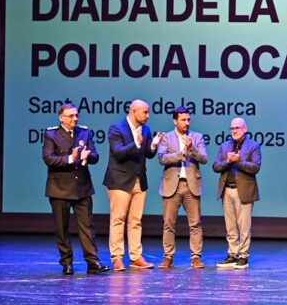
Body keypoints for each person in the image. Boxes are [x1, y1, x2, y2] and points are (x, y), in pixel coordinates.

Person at [42, 103, 110, 275]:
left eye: (76, 115)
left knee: (87, 227)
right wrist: (71, 159)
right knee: (62, 227)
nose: (75, 119)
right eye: (71, 116)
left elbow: (95, 156)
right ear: (61, 117)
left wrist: (88, 156)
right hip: (59, 188)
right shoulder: (51, 134)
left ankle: (93, 261)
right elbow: (49, 159)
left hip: (82, 187)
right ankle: (67, 262)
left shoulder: (85, 132)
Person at [103, 99, 163, 271]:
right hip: (120, 180)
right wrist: (136, 143)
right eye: (145, 112)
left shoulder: (146, 129)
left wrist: (153, 145)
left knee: (135, 220)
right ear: (133, 111)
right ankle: (117, 257)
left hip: (139, 180)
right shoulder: (116, 128)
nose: (148, 116)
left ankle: (135, 256)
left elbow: (149, 154)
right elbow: (119, 153)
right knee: (118, 219)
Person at [157, 107, 209, 269]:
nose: (186, 123)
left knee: (195, 224)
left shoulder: (197, 137)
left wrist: (192, 148)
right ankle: (168, 257)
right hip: (172, 185)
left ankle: (195, 257)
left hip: (191, 185)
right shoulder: (166, 137)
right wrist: (181, 153)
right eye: (183, 120)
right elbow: (162, 158)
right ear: (175, 121)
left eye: (188, 120)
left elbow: (204, 158)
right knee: (169, 223)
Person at [212, 117, 261, 270]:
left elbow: (255, 167)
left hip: (244, 191)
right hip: (227, 190)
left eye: (237, 128)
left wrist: (238, 161)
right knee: (230, 225)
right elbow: (215, 166)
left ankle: (243, 255)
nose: (234, 131)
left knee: (244, 226)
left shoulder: (253, 146)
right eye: (232, 128)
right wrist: (228, 161)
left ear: (245, 129)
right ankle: (233, 254)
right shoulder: (225, 145)